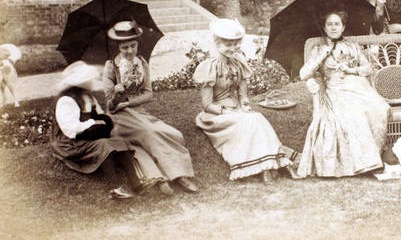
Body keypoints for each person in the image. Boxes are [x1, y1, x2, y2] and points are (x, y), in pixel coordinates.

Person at [192, 18, 297, 183]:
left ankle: (273, 164)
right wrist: (226, 112)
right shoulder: (209, 67)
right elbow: (206, 105)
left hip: (237, 110)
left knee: (256, 118)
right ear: (217, 43)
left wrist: (245, 105)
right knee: (250, 121)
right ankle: (271, 164)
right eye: (228, 45)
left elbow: (243, 94)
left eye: (236, 44)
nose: (233, 49)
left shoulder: (238, 63)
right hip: (216, 115)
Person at [103, 21, 198, 195]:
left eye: (133, 46)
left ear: (138, 44)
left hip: (138, 112)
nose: (130, 51)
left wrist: (129, 101)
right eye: (125, 48)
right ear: (118, 46)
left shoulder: (141, 63)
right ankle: (178, 176)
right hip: (118, 116)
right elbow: (110, 105)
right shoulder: (111, 67)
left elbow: (148, 93)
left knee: (174, 134)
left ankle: (169, 171)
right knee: (149, 132)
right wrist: (117, 94)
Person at [297, 10, 390, 177]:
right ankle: (367, 163)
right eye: (329, 24)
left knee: (381, 107)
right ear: (324, 28)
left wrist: (351, 69)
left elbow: (368, 68)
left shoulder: (353, 46)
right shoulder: (318, 48)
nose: (333, 28)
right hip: (337, 90)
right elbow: (304, 74)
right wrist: (323, 54)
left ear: (343, 27)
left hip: (359, 86)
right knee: (355, 112)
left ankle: (374, 155)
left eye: (337, 24)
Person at [50, 61, 141, 199]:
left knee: (119, 141)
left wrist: (103, 121)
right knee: (104, 145)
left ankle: (137, 183)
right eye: (88, 80)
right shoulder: (67, 101)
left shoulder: (89, 98)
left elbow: (101, 117)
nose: (92, 82)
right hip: (70, 143)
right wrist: (93, 122)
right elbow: (71, 129)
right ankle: (114, 188)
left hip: (88, 136)